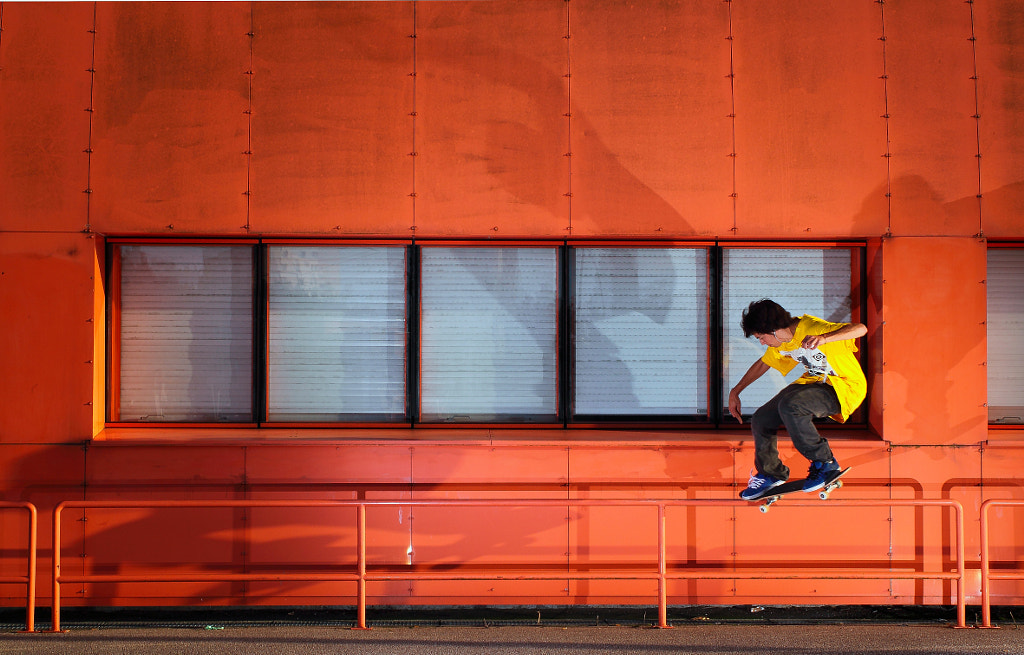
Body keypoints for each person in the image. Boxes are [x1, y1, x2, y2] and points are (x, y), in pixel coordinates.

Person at [728, 299, 868, 500]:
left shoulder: (814, 327)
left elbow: (860, 329)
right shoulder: (782, 342)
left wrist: (825, 338)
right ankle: (770, 472)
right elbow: (763, 363)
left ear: (774, 330)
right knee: (762, 418)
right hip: (812, 385)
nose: (761, 342)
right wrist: (736, 390)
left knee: (792, 405)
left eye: (761, 337)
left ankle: (825, 462)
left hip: (843, 387)